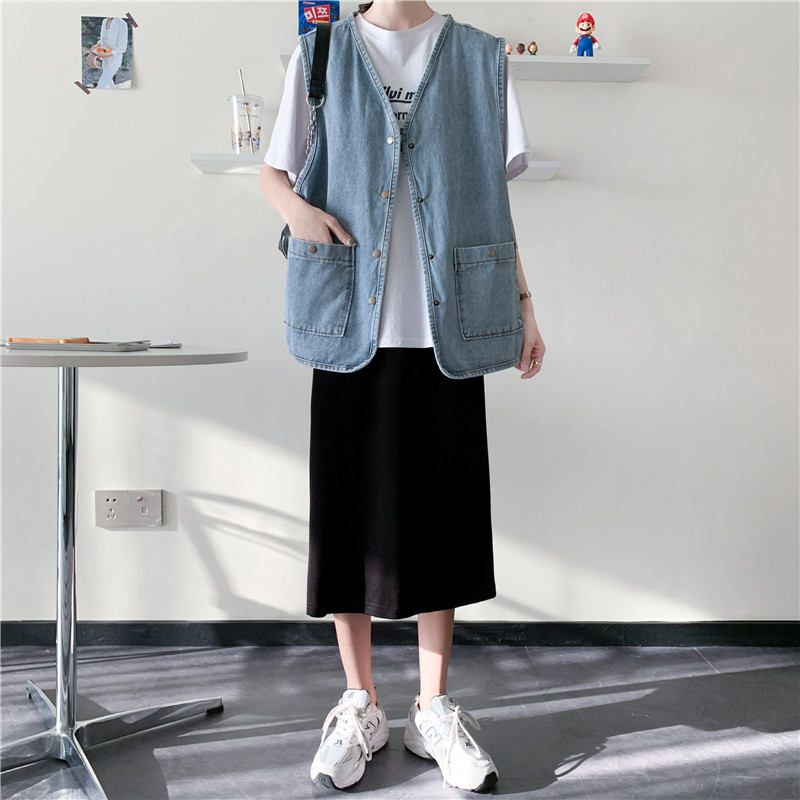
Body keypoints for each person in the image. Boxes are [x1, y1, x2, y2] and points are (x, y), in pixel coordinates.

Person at [259, 0, 545, 792]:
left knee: (444, 519)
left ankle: (432, 708)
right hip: (347, 321)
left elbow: (491, 201)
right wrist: (300, 214)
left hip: (448, 328)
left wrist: (524, 305)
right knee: (346, 518)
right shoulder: (319, 53)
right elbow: (274, 173)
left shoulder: (482, 59)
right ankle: (359, 704)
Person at [92, 17, 128, 89]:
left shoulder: (122, 24)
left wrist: (108, 54)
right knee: (108, 81)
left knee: (101, 84)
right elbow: (103, 39)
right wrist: (97, 45)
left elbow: (122, 47)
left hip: (114, 60)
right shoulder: (104, 21)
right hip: (105, 60)